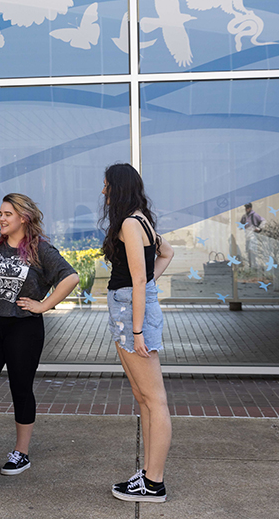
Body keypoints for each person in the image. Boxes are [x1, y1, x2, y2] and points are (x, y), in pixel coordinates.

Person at [0, 193, 79, 476]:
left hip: (23, 328)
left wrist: (43, 305)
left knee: (21, 389)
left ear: (23, 218)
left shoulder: (40, 250)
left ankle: (20, 453)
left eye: (7, 214)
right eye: (0, 214)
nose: (1, 219)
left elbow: (71, 277)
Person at [100, 163, 174, 503]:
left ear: (117, 187)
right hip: (128, 309)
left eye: (106, 186)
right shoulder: (140, 218)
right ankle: (147, 474)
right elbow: (166, 254)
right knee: (143, 396)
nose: (103, 192)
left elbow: (139, 280)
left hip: (132, 312)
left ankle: (154, 482)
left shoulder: (131, 223)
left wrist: (139, 329)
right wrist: (147, 289)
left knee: (154, 399)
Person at [240, 203, 267, 269]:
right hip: (247, 235)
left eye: (248, 207)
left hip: (253, 235)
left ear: (251, 208)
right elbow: (241, 223)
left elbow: (263, 221)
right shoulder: (244, 216)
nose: (246, 209)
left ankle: (254, 266)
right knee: (248, 251)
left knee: (253, 250)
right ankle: (250, 266)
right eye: (246, 208)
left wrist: (259, 228)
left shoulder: (254, 215)